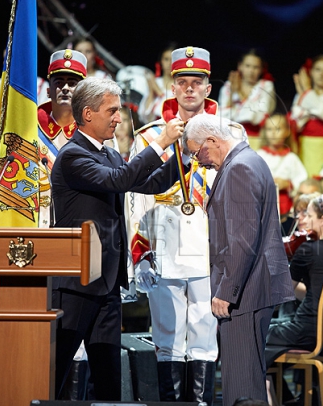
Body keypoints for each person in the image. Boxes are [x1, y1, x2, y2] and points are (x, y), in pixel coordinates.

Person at [50, 77, 185, 400]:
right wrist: (161, 142)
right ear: (87, 114)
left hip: (107, 281)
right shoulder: (72, 156)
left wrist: (184, 157)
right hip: (76, 282)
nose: (118, 117)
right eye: (111, 110)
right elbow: (121, 179)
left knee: (109, 377)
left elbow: (147, 184)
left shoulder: (108, 154)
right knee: (55, 371)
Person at [126, 46, 220, 405]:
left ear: (208, 88)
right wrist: (141, 251)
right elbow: (136, 199)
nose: (190, 89)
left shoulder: (230, 133)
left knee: (204, 334)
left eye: (197, 82)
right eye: (183, 82)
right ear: (173, 87)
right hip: (164, 244)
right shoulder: (151, 136)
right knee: (167, 336)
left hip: (210, 246)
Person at [183, 113, 294, 406]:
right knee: (246, 379)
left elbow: (242, 240)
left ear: (212, 140)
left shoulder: (239, 169)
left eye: (198, 153)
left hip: (247, 291)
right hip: (253, 287)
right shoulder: (250, 160)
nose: (199, 162)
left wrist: (226, 291)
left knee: (242, 385)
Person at [264, 192, 323, 401]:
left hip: (307, 331)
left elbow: (280, 291)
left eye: (311, 216)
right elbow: (314, 291)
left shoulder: (308, 250)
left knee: (254, 334)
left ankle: (273, 399)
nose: (308, 221)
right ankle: (287, 399)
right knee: (268, 330)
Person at [37, 48, 87, 228]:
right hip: (37, 224)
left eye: (72, 83)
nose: (65, 88)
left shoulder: (95, 131)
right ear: (49, 89)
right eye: (59, 82)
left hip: (80, 223)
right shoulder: (30, 129)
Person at [219, 50, 277, 149]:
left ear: (262, 69)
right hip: (232, 139)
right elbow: (223, 115)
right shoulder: (229, 86)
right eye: (247, 66)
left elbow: (259, 114)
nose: (251, 71)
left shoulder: (266, 86)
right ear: (240, 66)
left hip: (257, 138)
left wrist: (239, 94)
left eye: (256, 67)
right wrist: (233, 92)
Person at [256, 113, 308, 219]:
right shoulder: (258, 155)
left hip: (284, 208)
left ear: (287, 131)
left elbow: (302, 181)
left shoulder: (291, 158)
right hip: (261, 204)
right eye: (269, 129)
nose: (273, 133)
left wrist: (288, 184)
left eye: (278, 129)